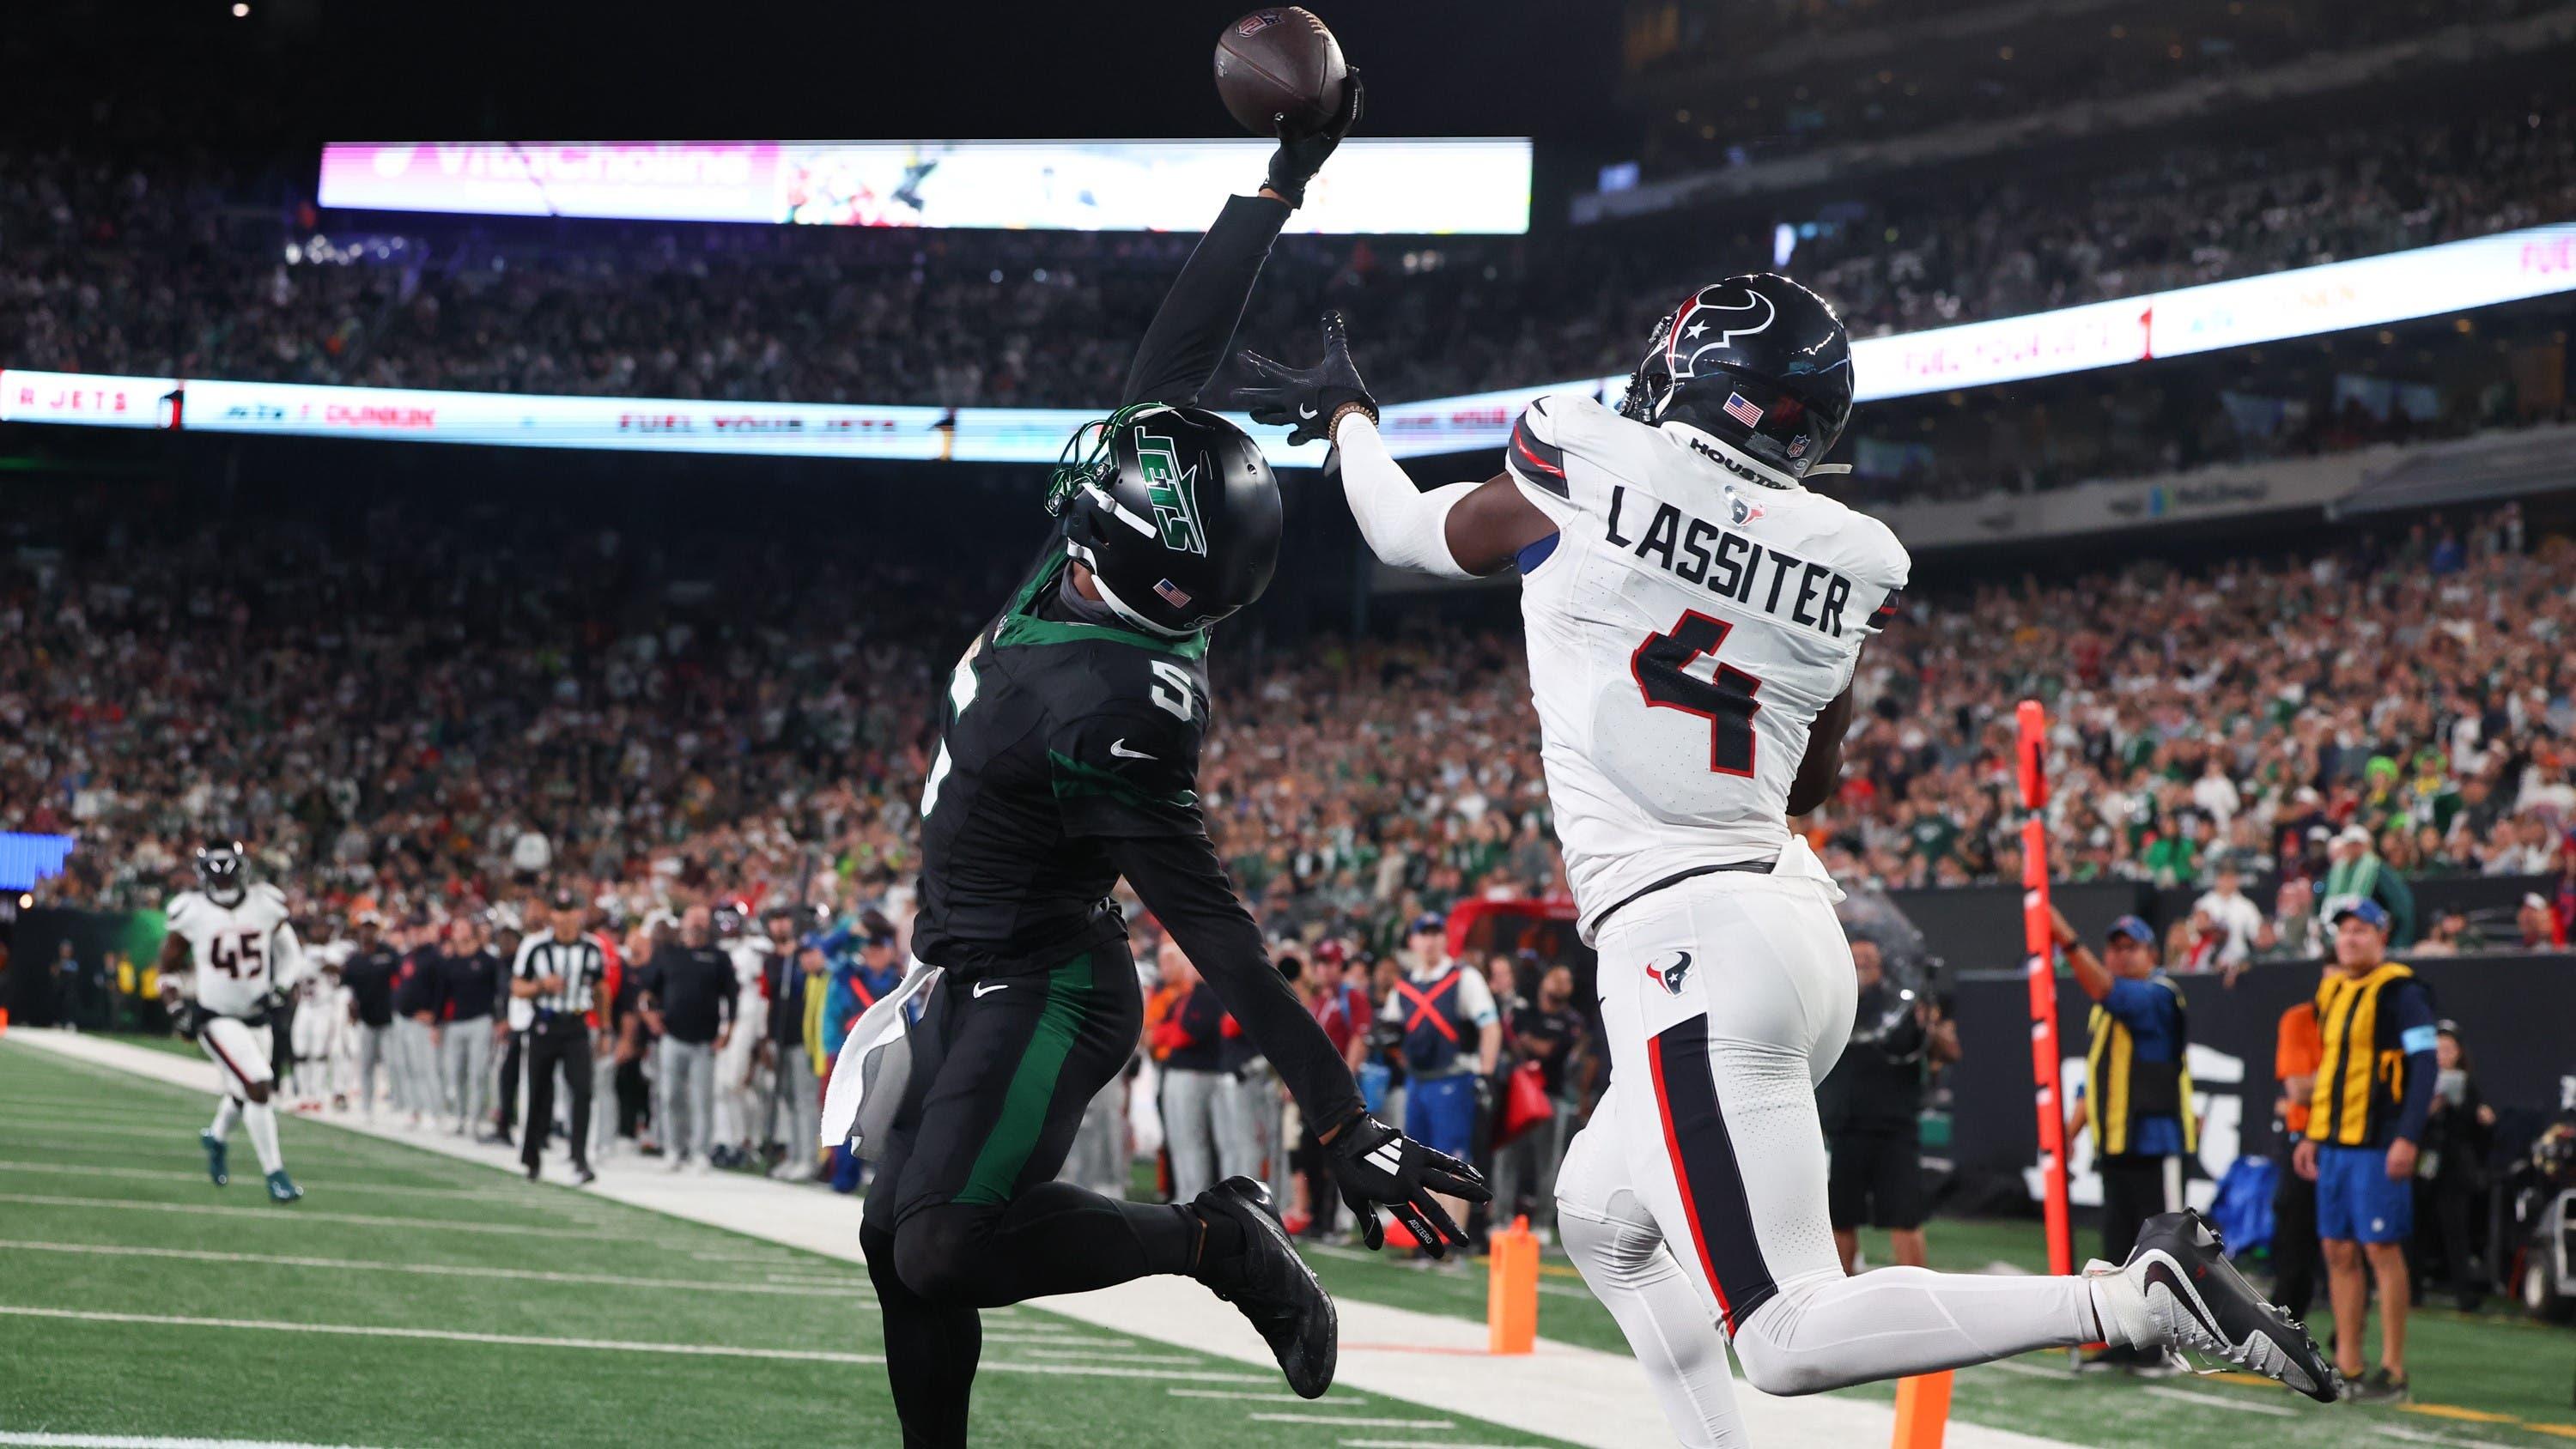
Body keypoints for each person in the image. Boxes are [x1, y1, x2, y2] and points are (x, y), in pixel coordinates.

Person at [1257, 270, 2335, 1440]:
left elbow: (1409, 530)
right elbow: (1811, 780)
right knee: (1600, 1217)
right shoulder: (1854, 552)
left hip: (1685, 950)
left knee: (1780, 1333)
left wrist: (1350, 421)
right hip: (1796, 932)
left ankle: (2132, 1300)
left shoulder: (1582, 452)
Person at [844, 89, 1487, 1445]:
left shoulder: (1117, 701)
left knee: (950, 1246)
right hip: (964, 958)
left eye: (1101, 516)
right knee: (894, 1240)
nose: (1078, 511)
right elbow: (1176, 355)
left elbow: (1220, 935)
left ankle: (1217, 1239)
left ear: (1132, 559)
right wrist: (1279, 181)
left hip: (1051, 982)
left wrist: (1333, 1117)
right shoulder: (1122, 583)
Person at [2293, 897, 2439, 1404]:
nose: (2351, 939)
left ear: (2382, 935)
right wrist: (2314, 1130)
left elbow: (2425, 1067)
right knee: (2337, 1250)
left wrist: (2408, 1134)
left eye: (2361, 930)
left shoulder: (2403, 991)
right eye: (2344, 931)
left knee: (2381, 1249)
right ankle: (2348, 1365)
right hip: (2334, 1142)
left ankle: (2393, 1369)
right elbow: (2331, 1068)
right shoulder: (2332, 989)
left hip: (2379, 1142)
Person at [2057, 909, 2195, 1372]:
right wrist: (2071, 1131)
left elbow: (2102, 987)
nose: (2119, 955)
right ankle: (2125, 1344)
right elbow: (2093, 1078)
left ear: (2152, 954)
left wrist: (2067, 940)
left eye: (2129, 947)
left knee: (2156, 1252)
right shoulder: (2109, 1006)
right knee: (2117, 1251)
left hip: (2154, 1143)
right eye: (2113, 947)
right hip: (2115, 1142)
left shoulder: (2158, 995)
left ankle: (2160, 1347)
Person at [155, 841, 305, 1203]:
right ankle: (276, 1174)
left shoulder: (265, 904)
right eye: (217, 881)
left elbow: (291, 956)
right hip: (216, 1017)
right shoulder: (191, 911)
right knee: (258, 1084)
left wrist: (281, 989)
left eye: (229, 879)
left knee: (242, 1093)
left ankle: (216, 1138)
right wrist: (176, 1009)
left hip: (257, 1016)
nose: (223, 887)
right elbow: (168, 969)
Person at [1820, 937, 1955, 1275]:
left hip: (1896, 1127)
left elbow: (1950, 1052)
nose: (1863, 964)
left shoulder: (1906, 1005)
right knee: (1841, 1218)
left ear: (1881, 966)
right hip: (1847, 1126)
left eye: (1869, 958)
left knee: (1905, 1217)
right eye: (1856, 958)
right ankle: (1841, 1296)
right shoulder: (1834, 1004)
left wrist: (1930, 1026)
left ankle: (1918, 1297)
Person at [1385, 913, 1502, 1254]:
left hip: (1453, 1079)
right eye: (1425, 934)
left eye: (1437, 934)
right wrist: (1394, 1051)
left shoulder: (1463, 978)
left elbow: (1490, 1026)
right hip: (1418, 1082)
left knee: (1452, 1160)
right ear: (1414, 941)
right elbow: (1390, 1030)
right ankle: (1432, 1237)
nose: (1431, 941)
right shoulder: (1404, 985)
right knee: (1420, 1163)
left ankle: (1456, 1236)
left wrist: (1485, 1074)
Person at [511, 888, 605, 1186]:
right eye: (560, 911)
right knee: (538, 1091)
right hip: (545, 1026)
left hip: (576, 1025)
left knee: (583, 1090)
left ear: (580, 914)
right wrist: (541, 986)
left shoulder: (592, 948)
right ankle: (531, 1156)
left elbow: (601, 989)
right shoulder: (535, 947)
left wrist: (604, 1028)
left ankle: (580, 1158)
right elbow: (517, 987)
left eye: (571, 911)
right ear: (552, 915)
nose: (566, 918)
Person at [637, 903, 739, 1173]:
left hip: (704, 1038)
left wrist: (727, 1031)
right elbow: (645, 989)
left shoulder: (718, 957)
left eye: (701, 919)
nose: (696, 924)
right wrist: (650, 1017)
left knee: (702, 1098)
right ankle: (673, 1148)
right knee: (670, 1095)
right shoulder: (668, 953)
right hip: (672, 1035)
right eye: (693, 918)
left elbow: (732, 996)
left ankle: (699, 1152)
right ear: (683, 922)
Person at [1493, 961, 1589, 1238]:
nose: (1560, 985)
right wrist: (1523, 1040)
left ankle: (1542, 1224)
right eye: (1555, 979)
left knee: (1548, 1161)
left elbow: (1547, 1049)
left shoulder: (1572, 1021)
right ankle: (1500, 1218)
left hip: (1550, 1096)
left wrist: (1524, 1040)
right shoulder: (1525, 1011)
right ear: (1544, 982)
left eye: (1566, 981)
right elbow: (1511, 1038)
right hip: (1518, 1093)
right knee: (1506, 1156)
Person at [2416, 1022, 2495, 1312]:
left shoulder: (2467, 1084)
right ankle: (2413, 1291)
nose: (2442, 1055)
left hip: (2454, 1168)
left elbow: (2477, 1133)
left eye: (2448, 1049)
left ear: (2459, 1052)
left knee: (2456, 1230)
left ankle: (2464, 1294)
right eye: (2437, 1049)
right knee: (2417, 1229)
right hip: (2423, 1166)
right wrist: (2431, 1107)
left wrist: (2479, 1116)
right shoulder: (2419, 1082)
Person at [2271, 975, 2327, 1325]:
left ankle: (2349, 1348)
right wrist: (2348, 1074)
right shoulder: (2300, 1019)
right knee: (2295, 1237)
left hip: (2355, 1142)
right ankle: (2282, 1325)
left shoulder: (2371, 1019)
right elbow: (2298, 1090)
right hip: (2305, 1136)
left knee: (2350, 1247)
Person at [755, 906, 822, 1179]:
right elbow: (769, 995)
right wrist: (766, 1039)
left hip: (802, 1035)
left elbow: (800, 983)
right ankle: (795, 1154)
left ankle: (809, 1158)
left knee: (805, 1099)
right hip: (780, 1036)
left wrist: (795, 956)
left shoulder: (806, 954)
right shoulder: (772, 960)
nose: (781, 927)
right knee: (788, 1098)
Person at [436, 917, 506, 1137]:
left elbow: (500, 992)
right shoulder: (451, 962)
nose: (457, 932)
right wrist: (437, 1024)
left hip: (481, 1021)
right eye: (456, 928)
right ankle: (460, 1117)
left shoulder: (487, 961)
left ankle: (475, 1119)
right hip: (456, 1022)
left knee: (478, 1072)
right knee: (456, 1073)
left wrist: (500, 1019)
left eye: (461, 927)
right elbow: (442, 995)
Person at [339, 916, 398, 1119]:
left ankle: (396, 1105)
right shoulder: (354, 959)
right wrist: (350, 1008)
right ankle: (367, 1107)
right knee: (365, 1064)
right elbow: (346, 988)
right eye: (365, 928)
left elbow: (401, 977)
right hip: (365, 1019)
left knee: (392, 1063)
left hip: (389, 1018)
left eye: (372, 928)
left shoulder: (388, 953)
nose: (368, 932)